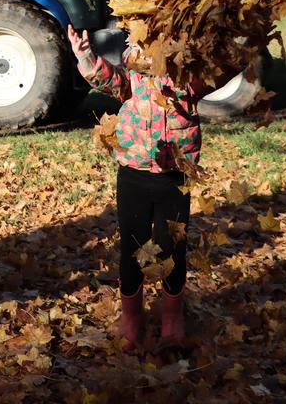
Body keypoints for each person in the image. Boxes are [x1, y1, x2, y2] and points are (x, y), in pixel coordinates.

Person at [67, 23, 200, 351]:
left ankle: (172, 317)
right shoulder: (134, 60)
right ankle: (131, 317)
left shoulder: (188, 60)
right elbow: (116, 83)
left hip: (175, 170)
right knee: (133, 245)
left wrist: (175, 65)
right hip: (134, 168)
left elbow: (197, 89)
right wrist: (86, 57)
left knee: (172, 246)